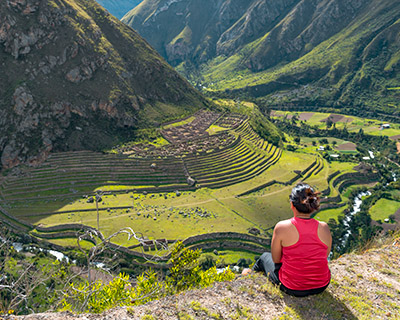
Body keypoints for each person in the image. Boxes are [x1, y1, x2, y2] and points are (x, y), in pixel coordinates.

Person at [243, 183, 332, 297]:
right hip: (321, 285)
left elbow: (276, 259)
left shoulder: (282, 227)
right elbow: (325, 255)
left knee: (264, 258)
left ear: (292, 204)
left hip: (292, 287)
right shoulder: (324, 227)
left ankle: (248, 277)